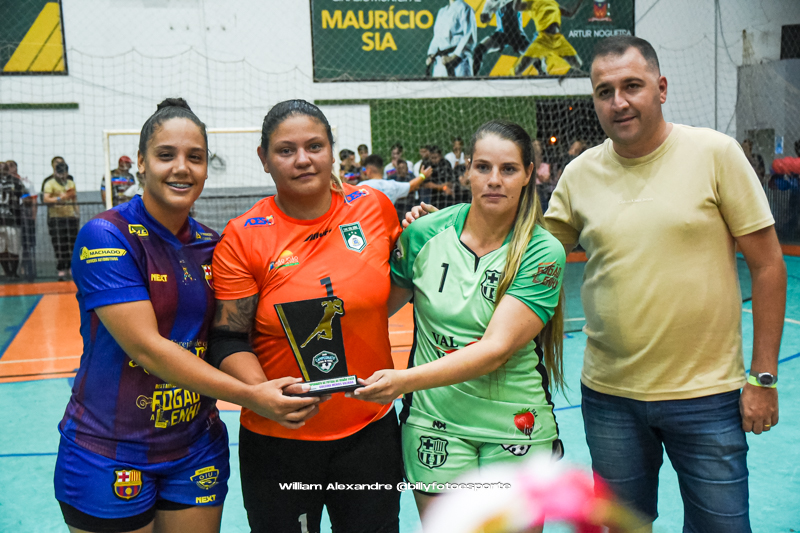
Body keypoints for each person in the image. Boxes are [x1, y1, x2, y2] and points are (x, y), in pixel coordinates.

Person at [543, 36, 785, 532]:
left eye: (632, 86)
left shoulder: (715, 154)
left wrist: (763, 378)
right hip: (609, 398)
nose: (619, 102)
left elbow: (768, 265)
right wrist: (443, 228)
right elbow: (532, 258)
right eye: (605, 91)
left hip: (708, 397)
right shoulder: (579, 174)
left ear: (662, 88)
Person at [54, 98, 317, 533]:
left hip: (196, 448)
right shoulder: (107, 235)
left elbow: (236, 332)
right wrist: (252, 396)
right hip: (109, 450)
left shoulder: (214, 244)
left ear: (207, 167)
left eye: (195, 157)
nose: (182, 168)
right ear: (141, 162)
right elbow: (147, 349)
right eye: (166, 155)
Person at [353, 120, 566, 527]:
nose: (494, 180)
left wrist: (401, 381)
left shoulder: (542, 251)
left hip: (516, 424)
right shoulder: (424, 234)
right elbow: (371, 312)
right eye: (483, 167)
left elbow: (495, 350)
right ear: (467, 169)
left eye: (508, 169)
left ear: (527, 175)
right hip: (435, 424)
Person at [207, 99, 404, 533]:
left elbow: (398, 285)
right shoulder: (243, 237)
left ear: (332, 151)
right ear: (264, 159)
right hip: (279, 439)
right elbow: (227, 338)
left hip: (369, 431)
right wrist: (264, 395)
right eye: (285, 150)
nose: (302, 159)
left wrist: (425, 227)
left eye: (315, 146)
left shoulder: (373, 208)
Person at [513, 0, 585, 76]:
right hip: (542, 40)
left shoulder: (553, 3)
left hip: (558, 40)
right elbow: (516, 7)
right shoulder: (531, 3)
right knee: (518, 69)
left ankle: (546, 62)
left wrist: (580, 2)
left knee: (578, 64)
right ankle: (542, 64)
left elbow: (570, 14)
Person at [42, 158, 79, 280]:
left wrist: (77, 214)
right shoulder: (49, 183)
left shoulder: (70, 183)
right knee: (60, 244)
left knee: (72, 244)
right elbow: (46, 199)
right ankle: (61, 268)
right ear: (56, 172)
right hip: (56, 218)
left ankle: (71, 267)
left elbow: (74, 199)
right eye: (60, 173)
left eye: (64, 173)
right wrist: (60, 198)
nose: (62, 176)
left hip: (70, 217)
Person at [473, 0, 531, 75]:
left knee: (534, 54)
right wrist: (485, 16)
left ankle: (542, 73)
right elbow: (484, 16)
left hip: (517, 35)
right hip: (501, 34)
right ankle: (474, 76)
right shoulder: (493, 1)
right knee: (478, 50)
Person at [426, 0, 478, 78]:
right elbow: (437, 36)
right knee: (438, 86)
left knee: (461, 85)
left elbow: (469, 35)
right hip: (441, 61)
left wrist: (454, 57)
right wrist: (431, 54)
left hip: (459, 61)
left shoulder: (465, 8)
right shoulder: (442, 11)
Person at [6, 160, 37, 280]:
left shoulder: (25, 182)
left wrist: (33, 217)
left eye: (11, 166)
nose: (10, 169)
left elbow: (32, 200)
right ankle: (10, 271)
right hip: (8, 219)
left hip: (24, 218)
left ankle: (25, 267)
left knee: (26, 244)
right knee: (9, 245)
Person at [361, 154, 428, 207]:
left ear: (368, 171)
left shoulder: (360, 187)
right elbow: (411, 185)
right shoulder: (392, 185)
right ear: (382, 169)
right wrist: (423, 175)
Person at [0, 161, 27, 278]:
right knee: (2, 249)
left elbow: (26, 194)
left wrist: (21, 201)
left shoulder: (16, 181)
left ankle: (14, 272)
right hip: (2, 221)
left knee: (14, 248)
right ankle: (7, 272)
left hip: (13, 220)